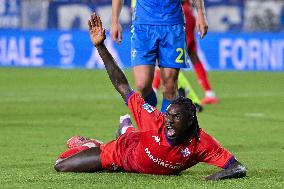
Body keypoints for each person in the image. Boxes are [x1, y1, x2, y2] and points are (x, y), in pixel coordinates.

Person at [54, 14, 246, 180]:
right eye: (168, 115)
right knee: (61, 165)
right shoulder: (154, 121)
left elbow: (237, 167)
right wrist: (100, 46)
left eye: (176, 117)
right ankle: (93, 143)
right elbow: (122, 86)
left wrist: (218, 176)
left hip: (138, 149)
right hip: (121, 155)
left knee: (135, 137)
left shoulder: (201, 143)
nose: (168, 121)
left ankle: (126, 129)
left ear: (190, 121)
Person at [110, 0, 208, 112]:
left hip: (172, 25)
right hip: (143, 25)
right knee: (142, 84)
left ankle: (163, 127)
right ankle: (152, 116)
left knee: (170, 86)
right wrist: (114, 21)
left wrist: (201, 14)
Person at [152, 0, 218, 106]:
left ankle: (154, 90)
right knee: (192, 55)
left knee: (167, 57)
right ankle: (209, 93)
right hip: (188, 13)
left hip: (178, 14)